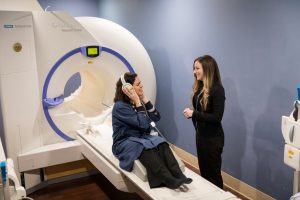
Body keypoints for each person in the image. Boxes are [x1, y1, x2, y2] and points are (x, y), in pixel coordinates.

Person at [112, 72, 192, 189]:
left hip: (140, 138)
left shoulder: (134, 103)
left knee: (161, 143)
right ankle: (167, 179)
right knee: (146, 148)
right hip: (124, 142)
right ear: (128, 88)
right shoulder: (120, 107)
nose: (142, 86)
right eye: (138, 84)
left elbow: (156, 116)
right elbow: (143, 123)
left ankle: (179, 175)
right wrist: (139, 102)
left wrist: (144, 98)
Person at [183, 55, 225, 189]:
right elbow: (203, 112)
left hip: (213, 139)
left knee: (213, 175)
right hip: (200, 136)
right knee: (204, 173)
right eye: (194, 68)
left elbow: (216, 118)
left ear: (207, 69)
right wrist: (193, 114)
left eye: (197, 68)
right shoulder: (200, 87)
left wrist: (194, 114)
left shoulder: (218, 89)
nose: (194, 72)